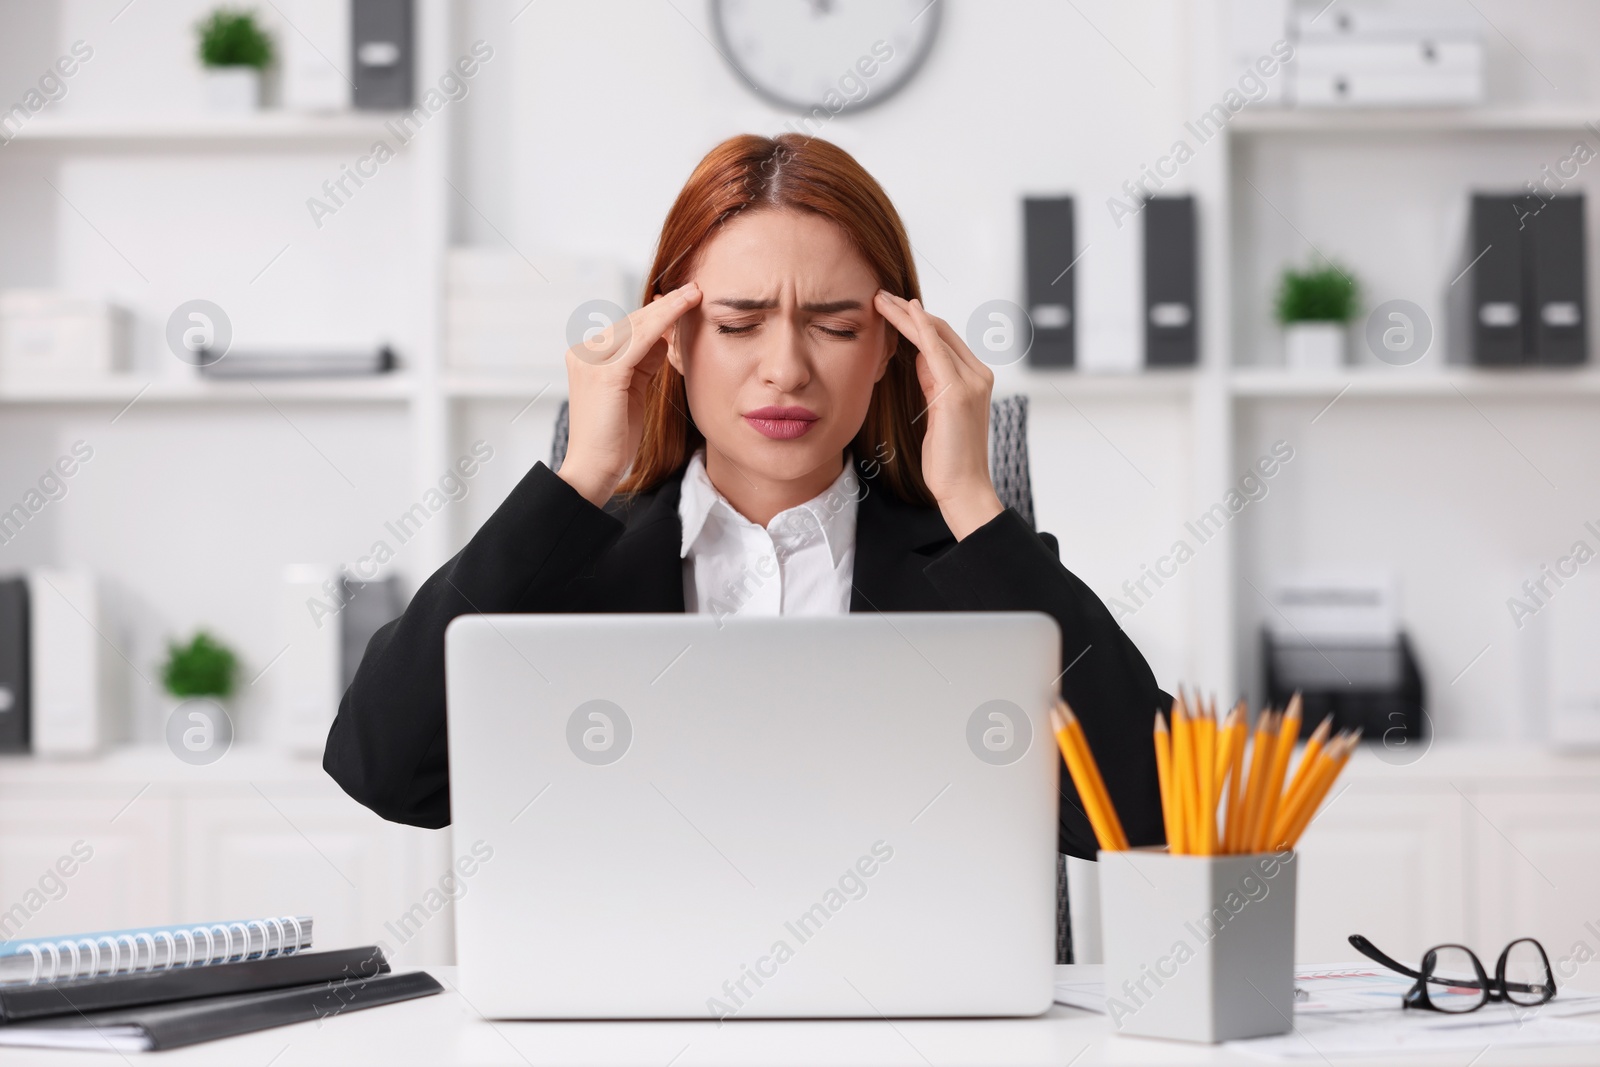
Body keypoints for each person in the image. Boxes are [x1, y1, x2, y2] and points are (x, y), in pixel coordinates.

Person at [324, 133, 1168, 859]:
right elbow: (384, 770)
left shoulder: (972, 569)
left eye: (836, 327)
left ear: (891, 352)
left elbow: (1151, 810)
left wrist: (973, 502)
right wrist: (579, 479)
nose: (787, 369)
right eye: (737, 324)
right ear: (673, 338)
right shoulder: (566, 567)